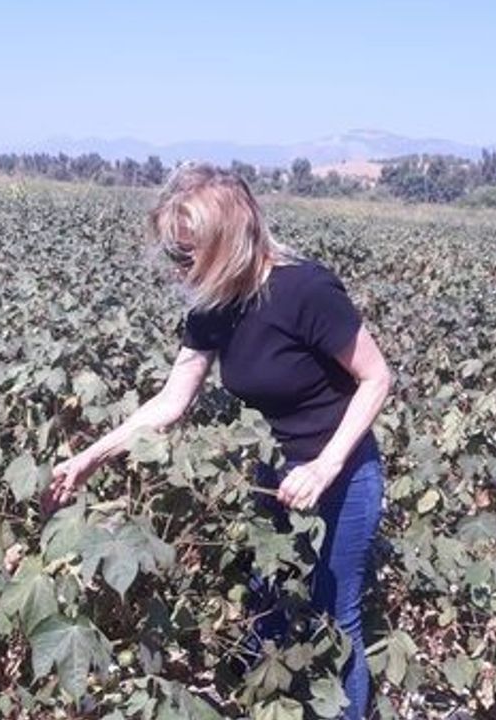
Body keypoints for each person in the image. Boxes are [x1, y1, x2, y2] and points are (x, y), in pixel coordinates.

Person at [41, 162, 393, 719]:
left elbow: (377, 378)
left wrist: (324, 467)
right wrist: (91, 456)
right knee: (267, 596)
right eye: (175, 253)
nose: (180, 267)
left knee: (334, 612)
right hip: (273, 473)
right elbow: (171, 401)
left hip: (343, 473)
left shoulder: (306, 289)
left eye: (188, 253)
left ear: (228, 242)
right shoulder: (214, 305)